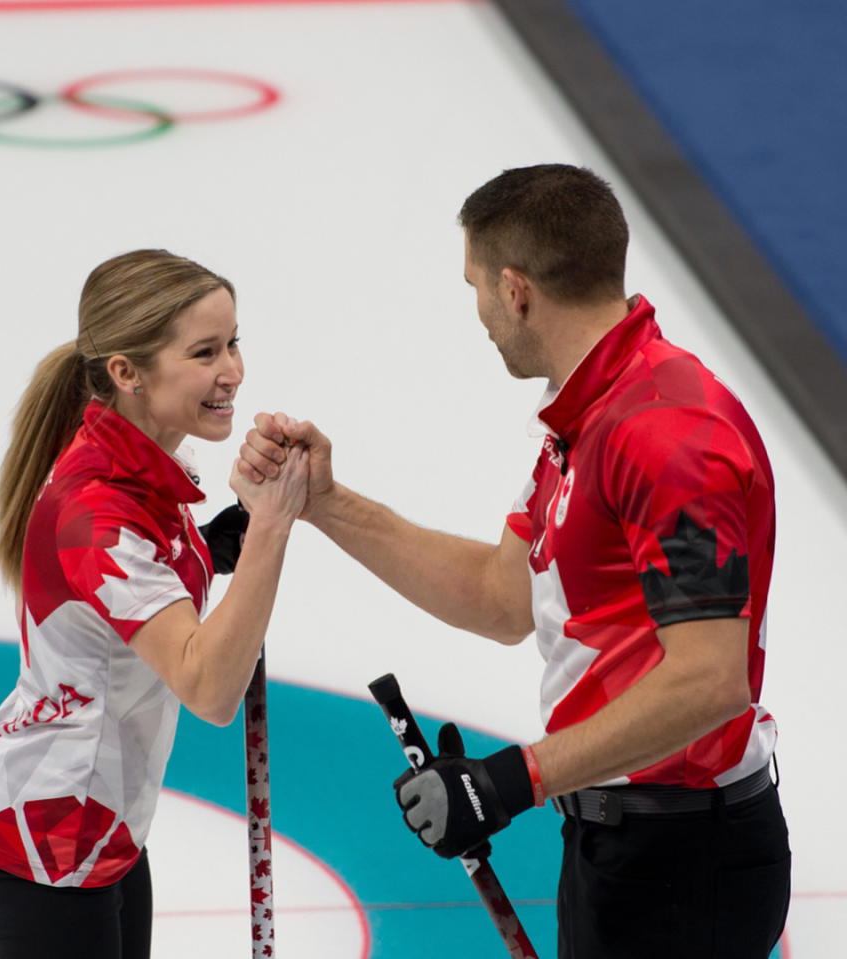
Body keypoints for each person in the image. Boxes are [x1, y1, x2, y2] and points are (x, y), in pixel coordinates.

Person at [238, 165, 791, 958]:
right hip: (621, 844)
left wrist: (511, 780)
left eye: (477, 290)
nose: (481, 316)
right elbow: (503, 596)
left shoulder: (666, 432)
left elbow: (711, 678)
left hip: (681, 863)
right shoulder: (593, 413)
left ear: (516, 289)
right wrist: (325, 501)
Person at [0, 249, 309, 959]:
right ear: (127, 372)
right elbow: (209, 688)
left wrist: (211, 546)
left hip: (107, 826)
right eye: (205, 352)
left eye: (234, 342)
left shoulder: (145, 465)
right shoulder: (100, 513)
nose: (233, 370)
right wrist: (272, 526)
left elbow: (127, 588)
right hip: (53, 840)